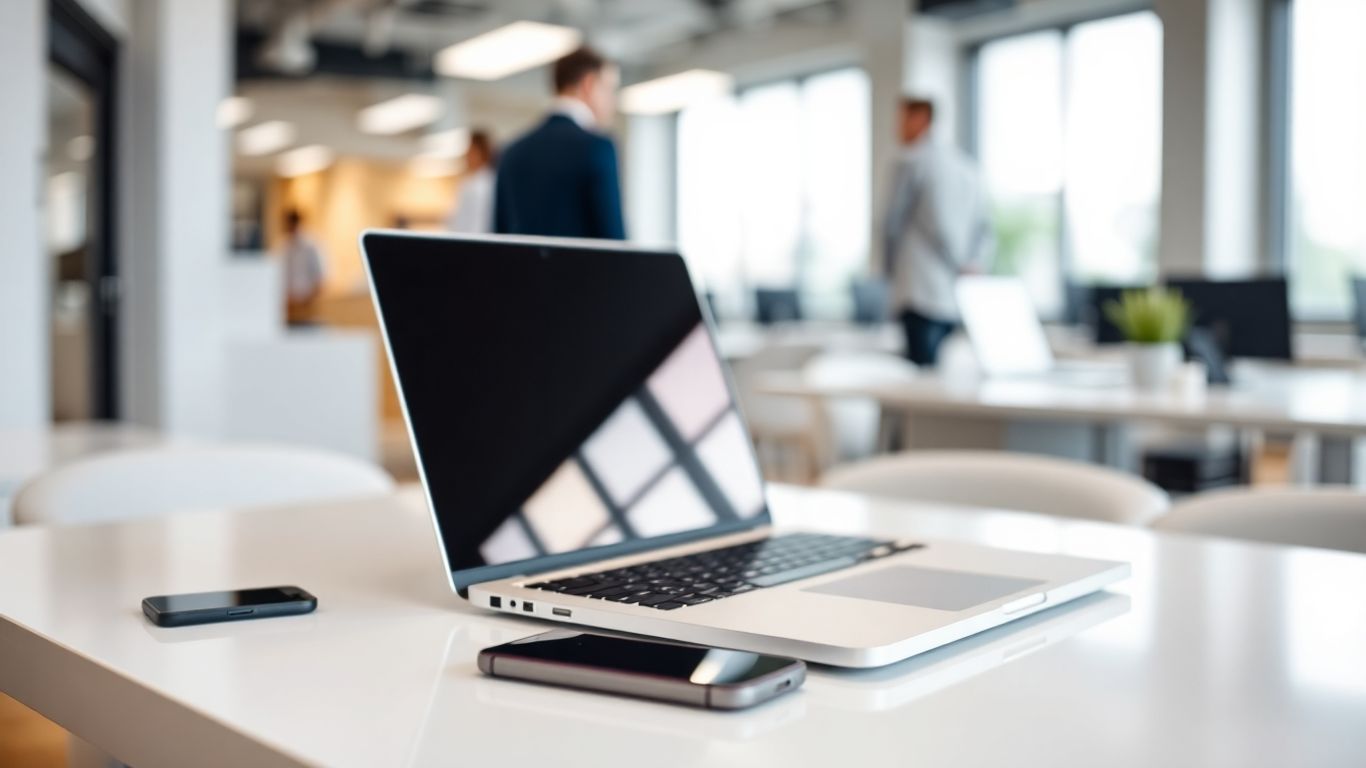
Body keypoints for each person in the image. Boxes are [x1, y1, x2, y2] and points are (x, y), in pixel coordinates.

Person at [883, 97, 993, 366]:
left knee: (919, 376)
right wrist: (972, 263)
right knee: (938, 374)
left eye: (902, 119)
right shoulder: (966, 167)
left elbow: (893, 223)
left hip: (919, 291)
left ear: (921, 118)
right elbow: (984, 228)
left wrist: (886, 273)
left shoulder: (912, 162)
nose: (898, 128)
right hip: (953, 295)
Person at [494, 46, 625, 240]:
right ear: (589, 84)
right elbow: (613, 243)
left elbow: (500, 240)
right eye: (609, 89)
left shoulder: (511, 152)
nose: (613, 101)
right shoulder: (597, 148)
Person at [279, 208, 326, 325]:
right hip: (289, 307)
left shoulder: (312, 245)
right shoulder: (284, 246)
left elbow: (320, 277)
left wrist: (309, 300)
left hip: (308, 305)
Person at [446, 129, 497, 233]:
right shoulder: (470, 182)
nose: (466, 155)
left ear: (481, 153)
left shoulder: (482, 185)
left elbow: (478, 225)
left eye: (471, 150)